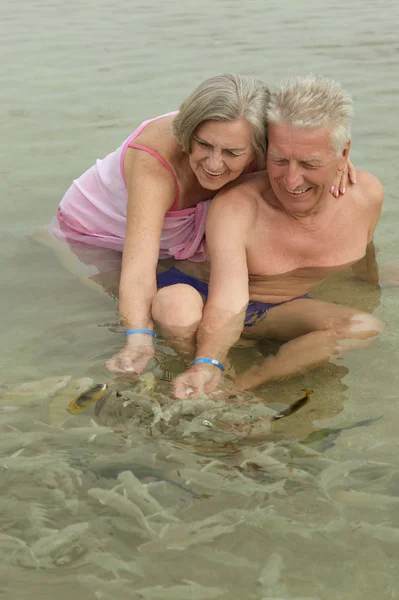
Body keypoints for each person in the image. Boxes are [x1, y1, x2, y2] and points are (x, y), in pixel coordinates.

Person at [51, 73, 354, 377]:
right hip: (101, 235)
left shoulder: (264, 149)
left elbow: (305, 155)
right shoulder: (154, 162)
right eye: (204, 145)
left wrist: (332, 163)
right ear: (188, 132)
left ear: (259, 148)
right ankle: (218, 375)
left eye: (233, 153)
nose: (213, 163)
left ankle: (223, 355)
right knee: (165, 311)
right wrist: (138, 340)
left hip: (187, 239)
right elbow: (139, 268)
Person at [148, 74, 384, 398]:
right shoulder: (237, 207)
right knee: (177, 308)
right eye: (279, 160)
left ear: (343, 155)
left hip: (271, 311)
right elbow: (228, 299)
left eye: (309, 163)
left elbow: (364, 252)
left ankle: (245, 385)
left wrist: (372, 283)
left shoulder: (366, 194)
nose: (290, 179)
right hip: (209, 297)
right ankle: (210, 377)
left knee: (364, 326)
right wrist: (208, 360)